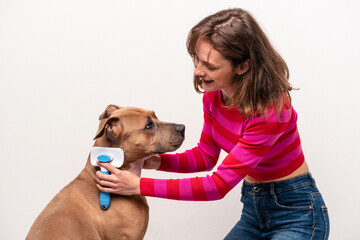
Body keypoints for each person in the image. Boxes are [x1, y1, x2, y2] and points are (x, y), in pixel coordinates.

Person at [96, 8, 330, 239]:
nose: (198, 71)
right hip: (253, 210)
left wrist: (139, 185)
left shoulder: (271, 110)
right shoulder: (214, 96)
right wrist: (157, 161)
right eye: (197, 59)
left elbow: (217, 186)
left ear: (243, 66)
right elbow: (205, 157)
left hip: (297, 213)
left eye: (210, 66)